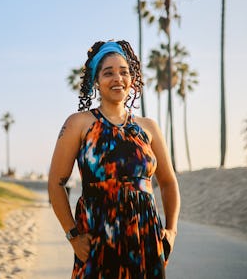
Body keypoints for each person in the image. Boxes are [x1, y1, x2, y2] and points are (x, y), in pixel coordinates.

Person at [48, 40, 180, 278]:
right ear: (96, 81)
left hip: (146, 237)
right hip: (97, 237)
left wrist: (171, 230)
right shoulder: (79, 123)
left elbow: (169, 182)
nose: (118, 78)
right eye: (108, 73)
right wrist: (73, 237)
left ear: (132, 78)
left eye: (124, 72)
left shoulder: (148, 128)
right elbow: (56, 184)